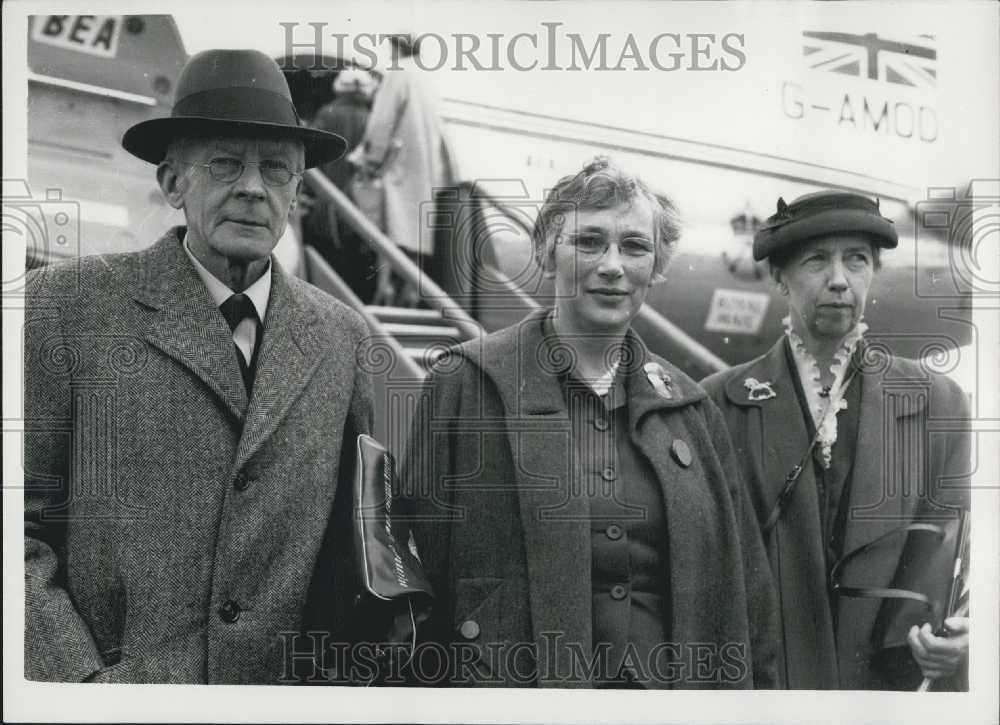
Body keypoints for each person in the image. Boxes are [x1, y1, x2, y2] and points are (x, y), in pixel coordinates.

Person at [23, 49, 375, 683]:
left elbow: (353, 548)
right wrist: (79, 687)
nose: (251, 187)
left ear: (297, 192)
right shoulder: (69, 307)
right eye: (225, 163)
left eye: (276, 170)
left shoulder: (342, 338)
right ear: (172, 182)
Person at [397, 157, 778, 688]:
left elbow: (747, 596)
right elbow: (417, 576)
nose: (612, 265)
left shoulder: (691, 411)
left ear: (657, 267)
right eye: (589, 241)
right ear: (546, 252)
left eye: (635, 247)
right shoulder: (467, 384)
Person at [701, 191, 971, 689]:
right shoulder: (717, 403)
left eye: (857, 260)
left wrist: (954, 640)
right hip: (765, 688)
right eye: (816, 261)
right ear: (780, 277)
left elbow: (950, 559)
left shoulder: (939, 402)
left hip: (885, 689)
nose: (840, 280)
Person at [359, 33, 455, 306]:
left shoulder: (398, 73)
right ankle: (412, 291)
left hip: (396, 167)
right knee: (415, 235)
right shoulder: (426, 80)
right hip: (424, 172)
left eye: (391, 46)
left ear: (400, 47)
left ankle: (385, 288)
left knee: (389, 230)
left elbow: (381, 122)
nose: (388, 52)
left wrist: (371, 161)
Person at [307, 67, 378, 300]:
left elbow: (310, 153)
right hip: (361, 204)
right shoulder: (372, 121)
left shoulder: (326, 114)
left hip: (326, 203)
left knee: (329, 254)